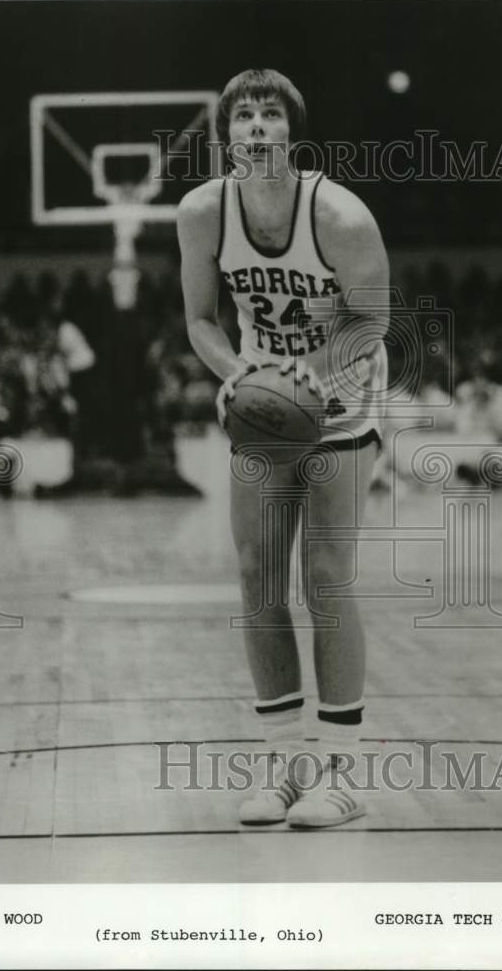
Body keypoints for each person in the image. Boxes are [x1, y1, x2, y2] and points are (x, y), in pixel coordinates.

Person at [178, 69, 389, 827]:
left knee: (326, 577)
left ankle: (342, 774)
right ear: (226, 134)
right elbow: (201, 320)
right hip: (262, 398)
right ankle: (283, 766)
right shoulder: (201, 213)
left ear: (291, 134)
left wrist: (306, 372)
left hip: (341, 392)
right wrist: (242, 374)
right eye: (244, 116)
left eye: (270, 115)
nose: (256, 127)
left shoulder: (340, 216)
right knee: (256, 578)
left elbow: (370, 320)